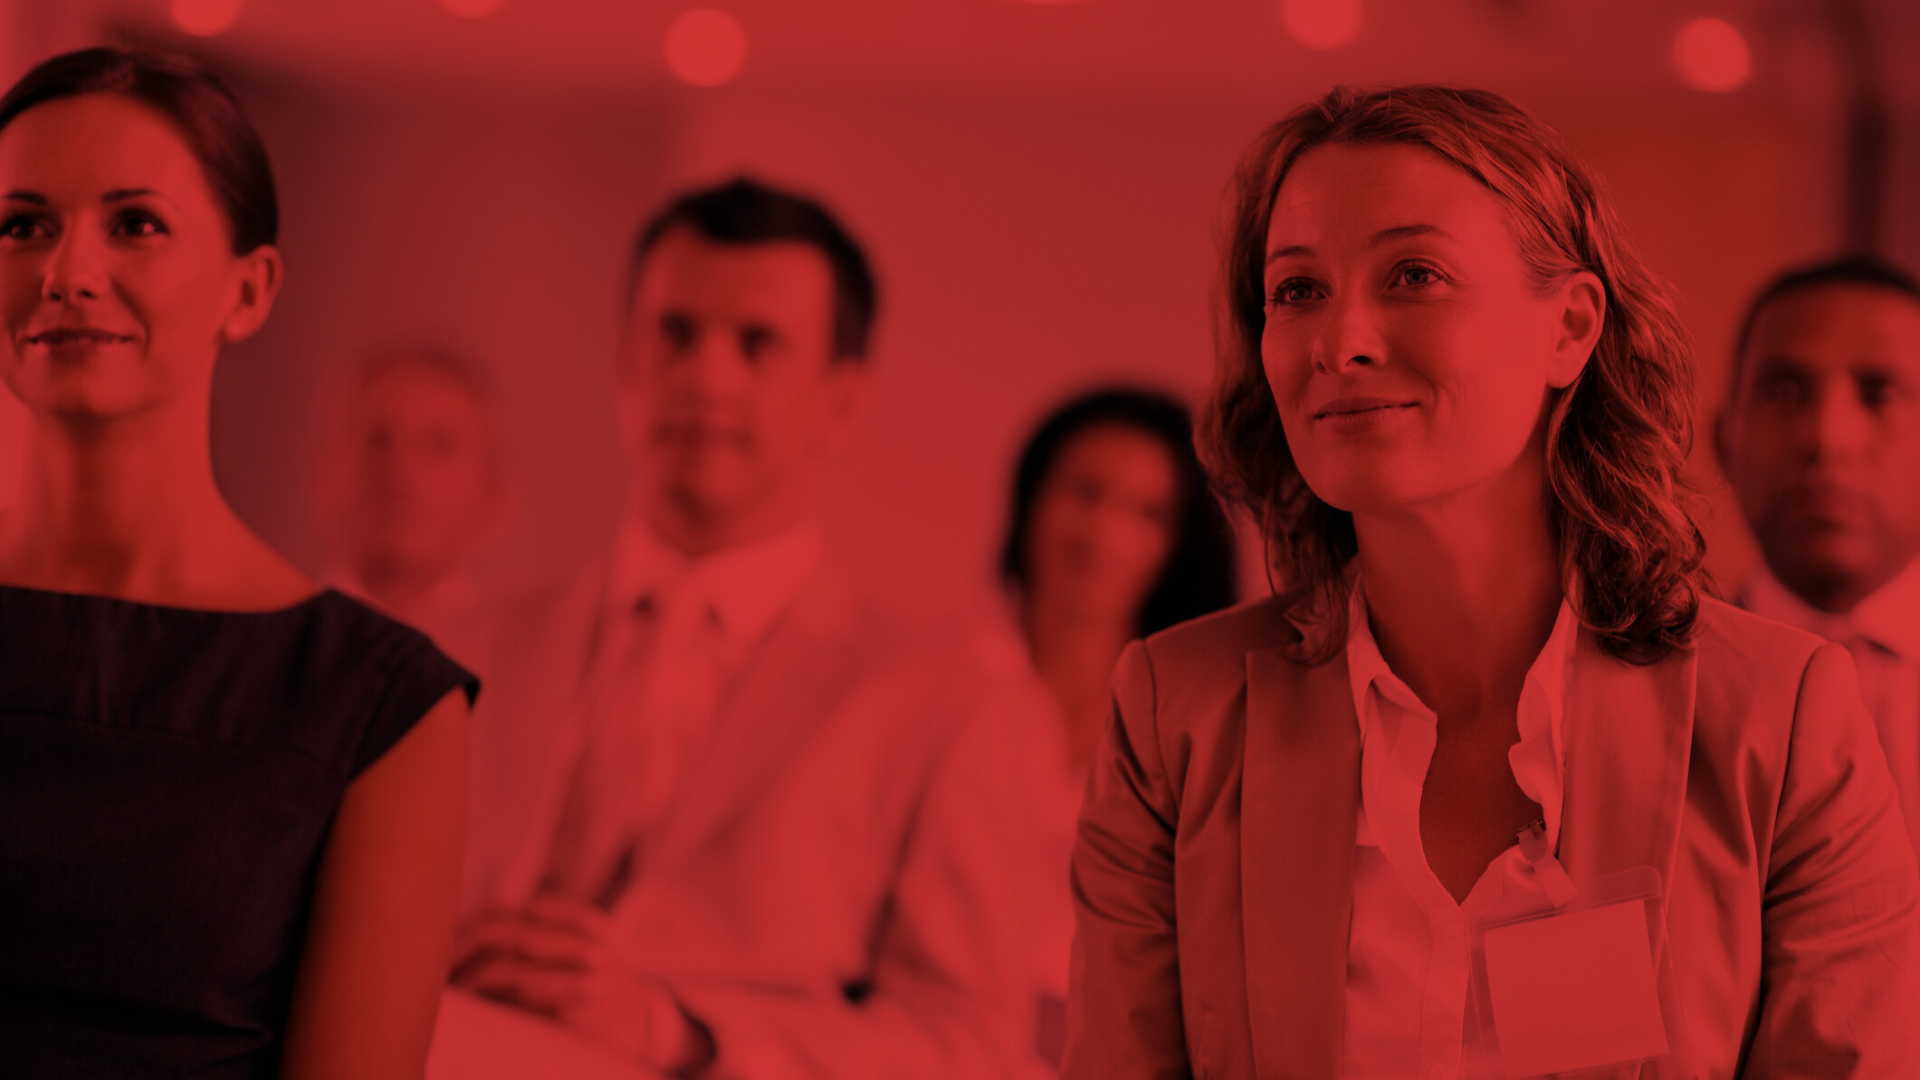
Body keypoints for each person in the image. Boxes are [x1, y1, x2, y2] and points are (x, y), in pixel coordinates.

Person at [1063, 85, 1920, 1079]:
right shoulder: (1175, 718)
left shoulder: (1780, 721)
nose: (1340, 341)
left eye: (1414, 275)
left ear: (1570, 328)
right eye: (1296, 290)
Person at [440, 177, 1046, 1078]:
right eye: (675, 334)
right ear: (624, 360)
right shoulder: (460, 647)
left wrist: (677, 1032)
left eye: (757, 344)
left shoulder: (948, 705)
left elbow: (969, 1048)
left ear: (842, 400)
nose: (705, 377)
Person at [0, 47, 473, 1078]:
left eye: (136, 224)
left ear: (247, 291)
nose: (66, 272)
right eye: (22, 225)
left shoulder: (378, 707)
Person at [995, 386, 1235, 1067]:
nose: (1103, 533)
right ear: (1032, 498)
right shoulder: (937, 687)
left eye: (1147, 512)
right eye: (1084, 492)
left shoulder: (1197, 727)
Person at [1718, 255, 1920, 863]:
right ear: (1726, 441)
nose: (1829, 438)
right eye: (1783, 393)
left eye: (1880, 394)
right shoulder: (1652, 689)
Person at [311, 344, 506, 670]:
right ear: (320, 473)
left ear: (495, 496)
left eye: (440, 444)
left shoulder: (528, 670)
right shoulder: (259, 654)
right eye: (377, 437)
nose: (401, 465)